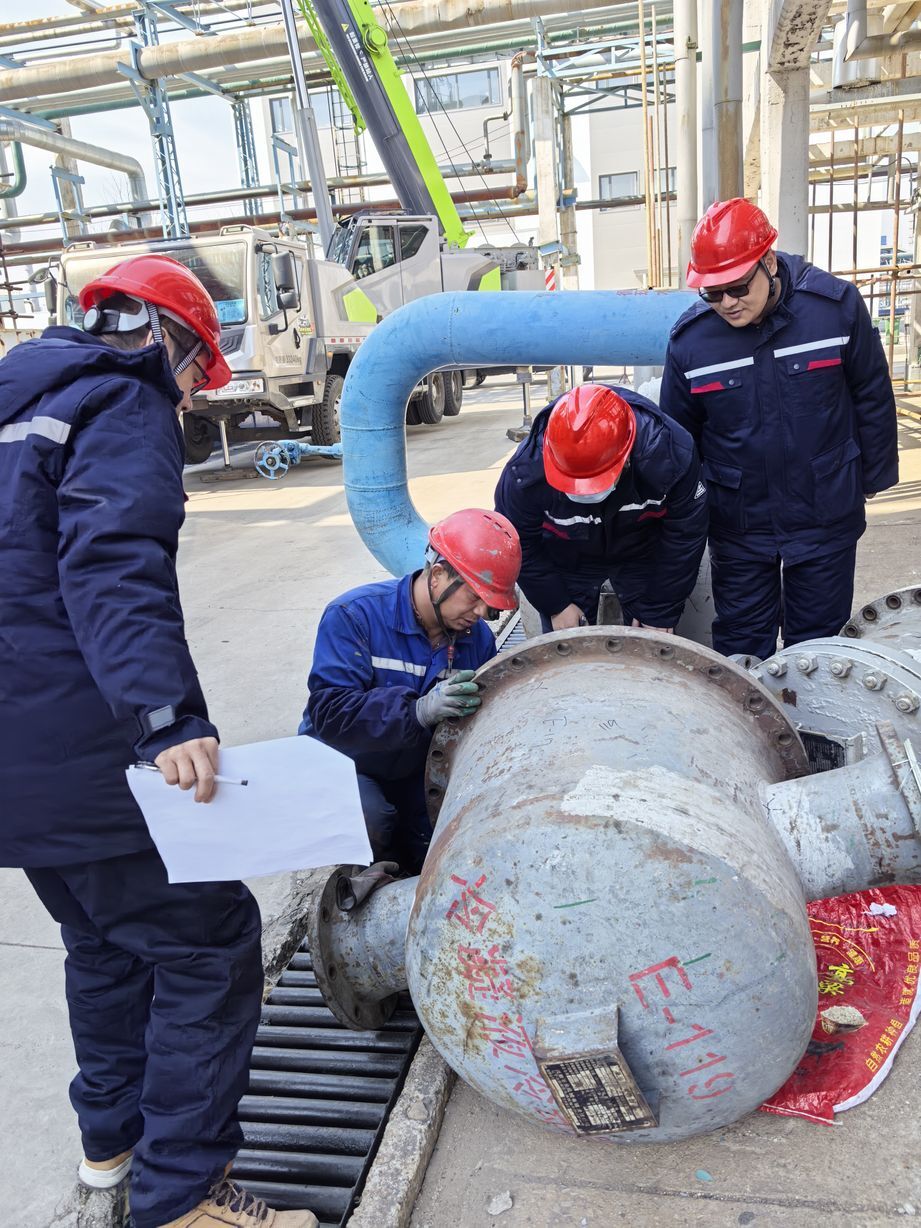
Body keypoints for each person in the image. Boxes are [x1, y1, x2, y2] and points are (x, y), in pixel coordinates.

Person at [0, 254, 317, 1228]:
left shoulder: (19, 400)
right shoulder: (120, 400)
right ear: (165, 342)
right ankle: (185, 1194)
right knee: (208, 943)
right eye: (194, 379)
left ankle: (114, 1144)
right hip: (80, 746)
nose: (187, 401)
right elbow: (113, 562)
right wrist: (165, 716)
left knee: (103, 944)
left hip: (15, 767)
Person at [660, 197, 899, 660]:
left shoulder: (834, 309)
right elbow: (680, 440)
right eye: (712, 293)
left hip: (824, 508)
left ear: (768, 262)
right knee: (741, 643)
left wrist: (870, 478)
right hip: (740, 518)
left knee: (818, 647)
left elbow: (871, 393)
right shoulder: (692, 342)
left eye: (738, 288)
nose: (727, 303)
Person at [300, 509, 521, 872]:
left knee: (441, 841)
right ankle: (359, 881)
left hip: (413, 765)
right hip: (345, 761)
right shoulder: (355, 615)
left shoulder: (476, 639)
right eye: (473, 596)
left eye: (491, 604)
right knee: (371, 820)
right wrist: (416, 711)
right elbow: (331, 713)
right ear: (437, 575)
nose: (481, 612)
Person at [494, 382, 707, 633]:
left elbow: (685, 536)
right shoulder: (525, 472)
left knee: (652, 643)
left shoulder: (670, 457)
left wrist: (659, 610)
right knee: (565, 646)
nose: (586, 492)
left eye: (595, 481)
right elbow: (518, 544)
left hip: (641, 551)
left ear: (626, 458)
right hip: (567, 556)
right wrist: (556, 604)